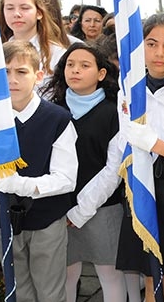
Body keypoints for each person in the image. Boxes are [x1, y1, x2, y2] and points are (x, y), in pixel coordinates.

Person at [67, 13, 164, 302]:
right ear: (140, 47)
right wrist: (83, 206)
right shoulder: (128, 94)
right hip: (142, 189)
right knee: (152, 283)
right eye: (151, 44)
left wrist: (158, 145)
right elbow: (116, 158)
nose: (159, 53)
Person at [0, 40, 78, 302]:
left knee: (49, 292)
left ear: (38, 76)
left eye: (21, 72)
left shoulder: (57, 118)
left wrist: (17, 184)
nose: (12, 80)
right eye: (5, 72)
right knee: (18, 292)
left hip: (45, 221)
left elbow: (66, 179)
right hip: (3, 220)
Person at [41, 42, 126, 302]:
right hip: (60, 206)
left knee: (109, 273)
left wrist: (82, 209)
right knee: (66, 273)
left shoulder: (114, 112)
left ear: (101, 74)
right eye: (70, 64)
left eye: (84, 65)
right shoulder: (52, 109)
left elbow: (114, 168)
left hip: (103, 205)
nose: (75, 70)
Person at [0, 0, 68, 92]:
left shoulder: (58, 53)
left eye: (24, 8)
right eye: (10, 8)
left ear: (39, 13)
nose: (16, 14)